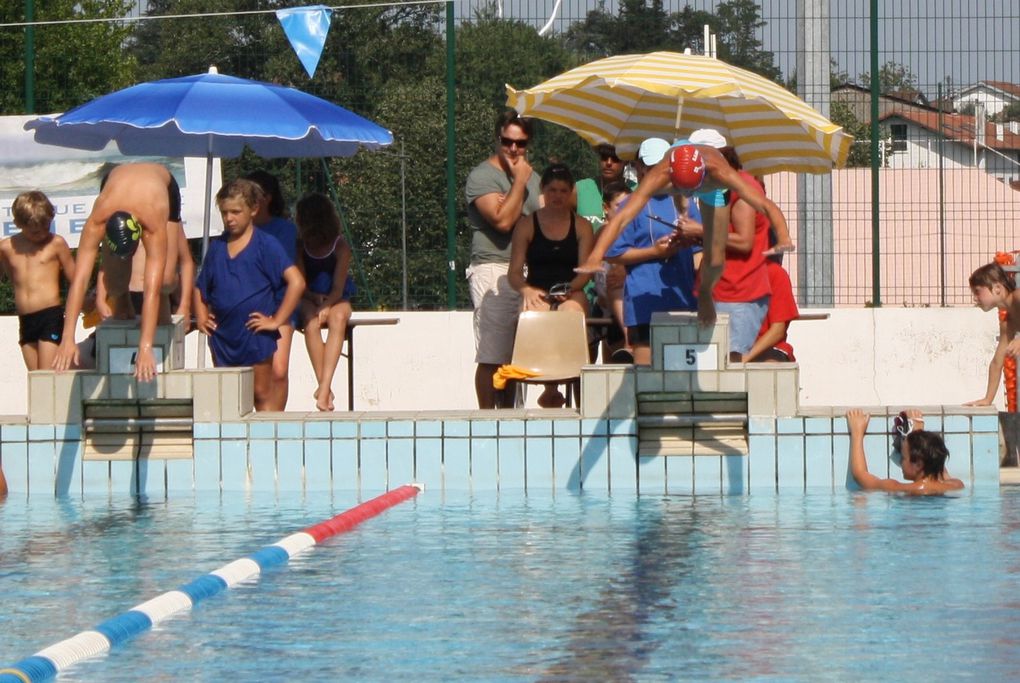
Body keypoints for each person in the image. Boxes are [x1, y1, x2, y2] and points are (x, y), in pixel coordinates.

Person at [578, 129, 793, 328]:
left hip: (710, 188)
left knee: (716, 260)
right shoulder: (660, 173)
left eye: (689, 190)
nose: (690, 194)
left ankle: (706, 293)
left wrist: (784, 237)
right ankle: (680, 201)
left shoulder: (719, 172)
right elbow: (623, 216)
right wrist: (595, 256)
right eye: (681, 189)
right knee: (677, 198)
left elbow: (764, 204)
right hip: (676, 182)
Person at [53, 163, 183, 381]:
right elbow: (80, 281)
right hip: (113, 184)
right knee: (115, 284)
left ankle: (157, 318)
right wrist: (67, 338)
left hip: (163, 186)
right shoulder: (97, 220)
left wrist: (145, 346)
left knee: (165, 281)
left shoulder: (153, 222)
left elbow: (151, 289)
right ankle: (124, 307)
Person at [194, 179, 305, 412]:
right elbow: (200, 287)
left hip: (255, 334)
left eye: (236, 212)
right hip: (223, 335)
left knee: (261, 393)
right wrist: (202, 315)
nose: (229, 218)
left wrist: (277, 320)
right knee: (228, 396)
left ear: (253, 210)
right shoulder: (217, 247)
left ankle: (270, 443)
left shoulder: (266, 245)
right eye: (224, 212)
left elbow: (296, 282)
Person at [465, 111, 542, 409]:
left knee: (515, 359)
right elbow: (503, 222)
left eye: (520, 144)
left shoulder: (534, 178)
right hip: (492, 267)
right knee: (492, 355)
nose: (513, 149)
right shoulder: (482, 176)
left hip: (526, 273)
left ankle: (509, 417)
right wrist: (519, 184)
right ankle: (487, 419)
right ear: (498, 139)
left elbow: (543, 219)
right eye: (507, 141)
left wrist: (513, 198)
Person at [603, 138, 702, 366]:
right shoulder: (629, 205)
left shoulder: (685, 201)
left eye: (661, 166)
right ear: (639, 167)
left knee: (681, 381)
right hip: (644, 303)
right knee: (647, 383)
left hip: (681, 300)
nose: (656, 172)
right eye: (649, 167)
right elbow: (612, 253)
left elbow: (700, 250)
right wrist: (654, 252)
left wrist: (687, 239)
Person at [508, 163, 594, 407]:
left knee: (571, 315)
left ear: (571, 193)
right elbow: (513, 274)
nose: (557, 196)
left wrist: (568, 289)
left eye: (563, 191)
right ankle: (550, 387)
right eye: (553, 190)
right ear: (543, 191)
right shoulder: (526, 225)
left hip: (572, 289)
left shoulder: (582, 226)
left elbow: (585, 271)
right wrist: (527, 290)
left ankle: (571, 384)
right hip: (537, 289)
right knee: (534, 315)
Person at [674, 145, 772, 360]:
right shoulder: (715, 188)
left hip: (738, 293)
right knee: (710, 369)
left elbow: (745, 241)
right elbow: (717, 239)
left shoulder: (741, 187)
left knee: (730, 368)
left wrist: (699, 229)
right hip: (716, 291)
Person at [0, 191, 75, 371]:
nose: (41, 234)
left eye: (46, 227)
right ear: (19, 224)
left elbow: (76, 279)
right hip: (25, 319)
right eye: (34, 231)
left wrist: (88, 302)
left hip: (50, 316)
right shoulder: (6, 247)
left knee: (47, 377)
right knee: (35, 379)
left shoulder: (56, 243)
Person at [294, 192, 355, 412]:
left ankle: (324, 385)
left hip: (336, 297)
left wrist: (327, 305)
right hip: (310, 296)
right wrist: (314, 299)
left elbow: (338, 288)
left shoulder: (340, 246)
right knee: (310, 321)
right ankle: (325, 389)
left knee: (338, 318)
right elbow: (300, 283)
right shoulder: (300, 247)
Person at [244, 170, 298, 411]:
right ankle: (261, 422)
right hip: (248, 307)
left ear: (267, 198)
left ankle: (277, 423)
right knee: (255, 375)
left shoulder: (284, 230)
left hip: (279, 305)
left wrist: (277, 318)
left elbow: (284, 272)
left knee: (278, 370)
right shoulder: (237, 232)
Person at [846, 408, 964, 494]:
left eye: (902, 457)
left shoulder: (900, 489)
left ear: (918, 464)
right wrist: (918, 435)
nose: (900, 462)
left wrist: (857, 433)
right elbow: (938, 466)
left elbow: (860, 475)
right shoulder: (956, 485)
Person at [965, 262, 1020, 406]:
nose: (975, 298)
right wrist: (988, 399)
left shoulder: (1018, 297)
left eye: (977, 291)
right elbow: (997, 362)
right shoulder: (1008, 322)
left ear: (997, 288)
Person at [743, 258, 799, 362]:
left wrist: (744, 358)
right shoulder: (715, 274)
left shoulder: (774, 273)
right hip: (727, 349)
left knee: (770, 365)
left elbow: (778, 331)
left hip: (767, 350)